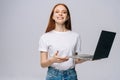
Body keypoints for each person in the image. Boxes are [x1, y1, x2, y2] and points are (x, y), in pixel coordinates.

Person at [38, 3, 87, 80]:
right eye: (57, 12)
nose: (60, 14)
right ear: (53, 16)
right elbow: (43, 64)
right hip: (53, 75)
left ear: (67, 17)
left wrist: (89, 58)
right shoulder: (45, 37)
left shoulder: (75, 36)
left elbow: (76, 60)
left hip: (71, 75)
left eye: (64, 12)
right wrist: (52, 60)